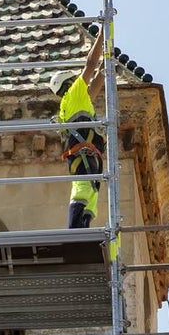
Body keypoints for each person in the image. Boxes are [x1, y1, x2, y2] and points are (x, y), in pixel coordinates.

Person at [49, 31, 107, 228]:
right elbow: (90, 65)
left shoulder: (76, 101)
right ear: (69, 82)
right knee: (83, 191)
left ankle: (83, 231)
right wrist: (101, 37)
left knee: (90, 196)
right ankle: (74, 231)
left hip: (87, 154)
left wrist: (108, 66)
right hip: (83, 154)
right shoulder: (73, 94)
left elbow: (94, 89)